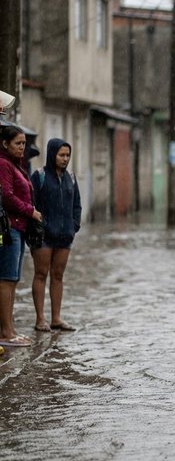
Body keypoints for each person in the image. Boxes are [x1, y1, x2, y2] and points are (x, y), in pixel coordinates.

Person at [30, 138, 82, 333]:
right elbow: (31, 203)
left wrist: (74, 225)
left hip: (65, 236)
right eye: (61, 155)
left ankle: (56, 318)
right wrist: (40, 226)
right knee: (41, 274)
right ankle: (40, 318)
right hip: (44, 236)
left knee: (58, 276)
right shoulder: (39, 176)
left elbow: (77, 204)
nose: (65, 159)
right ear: (52, 154)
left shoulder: (72, 178)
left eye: (67, 155)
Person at [0, 126, 43, 347]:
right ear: (5, 144)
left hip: (19, 228)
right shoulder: (3, 164)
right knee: (7, 279)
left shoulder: (16, 165)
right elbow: (6, 197)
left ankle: (10, 329)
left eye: (24, 143)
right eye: (18, 143)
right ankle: (5, 332)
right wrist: (30, 211)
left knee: (13, 279)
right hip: (10, 228)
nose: (22, 147)